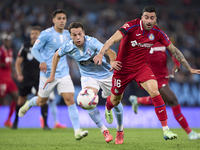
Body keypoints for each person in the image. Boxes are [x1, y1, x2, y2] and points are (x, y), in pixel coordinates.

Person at [93, 6, 200, 140]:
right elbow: (112, 40)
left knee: (155, 91)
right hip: (122, 69)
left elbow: (174, 49)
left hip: (141, 68)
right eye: (146, 17)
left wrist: (188, 68)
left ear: (156, 19)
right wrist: (101, 54)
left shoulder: (157, 32)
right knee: (115, 100)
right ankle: (108, 107)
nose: (149, 20)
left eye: (152, 18)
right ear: (142, 17)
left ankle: (166, 130)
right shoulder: (131, 26)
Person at [43, 22, 124, 144]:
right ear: (70, 36)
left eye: (80, 34)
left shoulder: (92, 42)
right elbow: (56, 55)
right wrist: (52, 75)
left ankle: (120, 130)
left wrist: (112, 61)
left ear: (84, 33)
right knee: (86, 101)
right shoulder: (68, 46)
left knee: (116, 102)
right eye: (74, 35)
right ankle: (104, 131)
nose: (78, 37)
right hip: (88, 77)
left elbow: (111, 52)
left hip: (106, 75)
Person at [18, 9, 88, 140]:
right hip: (47, 74)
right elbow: (35, 50)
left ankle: (77, 131)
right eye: (59, 18)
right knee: (41, 101)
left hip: (63, 73)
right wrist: (42, 61)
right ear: (54, 20)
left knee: (70, 99)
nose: (62, 21)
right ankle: (28, 104)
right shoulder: (46, 34)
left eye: (63, 18)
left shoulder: (68, 35)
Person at [129, 41, 200, 140]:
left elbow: (173, 52)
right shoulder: (143, 42)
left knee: (160, 100)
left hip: (164, 76)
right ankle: (190, 132)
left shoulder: (162, 39)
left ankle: (137, 101)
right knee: (173, 101)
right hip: (153, 78)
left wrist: (176, 64)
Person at [12, 26, 51, 130]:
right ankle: (15, 122)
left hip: (40, 78)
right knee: (21, 101)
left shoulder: (44, 47)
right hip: (27, 77)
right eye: (32, 33)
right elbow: (18, 62)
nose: (34, 35)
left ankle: (45, 124)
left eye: (36, 33)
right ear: (30, 35)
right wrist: (19, 74)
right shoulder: (25, 46)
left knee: (42, 99)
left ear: (40, 35)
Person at [0, 34, 18, 128]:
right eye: (6, 41)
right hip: (1, 78)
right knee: (1, 100)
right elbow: (6, 64)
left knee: (16, 96)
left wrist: (15, 73)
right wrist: (5, 64)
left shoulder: (10, 51)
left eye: (9, 41)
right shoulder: (1, 50)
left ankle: (8, 120)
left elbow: (10, 64)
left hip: (9, 78)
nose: (8, 42)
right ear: (3, 41)